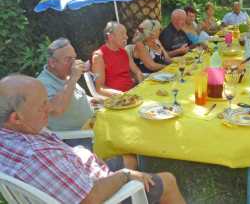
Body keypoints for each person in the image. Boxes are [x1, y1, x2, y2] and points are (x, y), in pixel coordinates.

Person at [0, 75, 186, 204]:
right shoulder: (36, 156)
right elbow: (90, 198)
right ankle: (145, 193)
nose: (50, 108)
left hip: (82, 174)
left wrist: (83, 156)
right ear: (16, 118)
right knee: (167, 180)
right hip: (96, 194)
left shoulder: (9, 135)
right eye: (42, 105)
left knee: (129, 158)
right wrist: (125, 175)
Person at [38, 38, 138, 168]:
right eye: (68, 59)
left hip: (93, 124)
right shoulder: (42, 84)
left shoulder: (64, 76)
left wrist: (104, 101)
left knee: (131, 124)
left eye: (74, 58)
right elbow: (57, 109)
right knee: (128, 143)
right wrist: (73, 78)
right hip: (78, 139)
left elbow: (78, 99)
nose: (74, 63)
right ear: (52, 62)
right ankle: (131, 170)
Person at [92, 22, 144, 97]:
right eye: (122, 34)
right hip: (117, 99)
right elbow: (100, 88)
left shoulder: (124, 52)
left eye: (126, 34)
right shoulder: (98, 56)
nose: (126, 37)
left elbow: (137, 72)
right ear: (110, 37)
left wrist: (141, 88)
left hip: (132, 92)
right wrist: (121, 95)